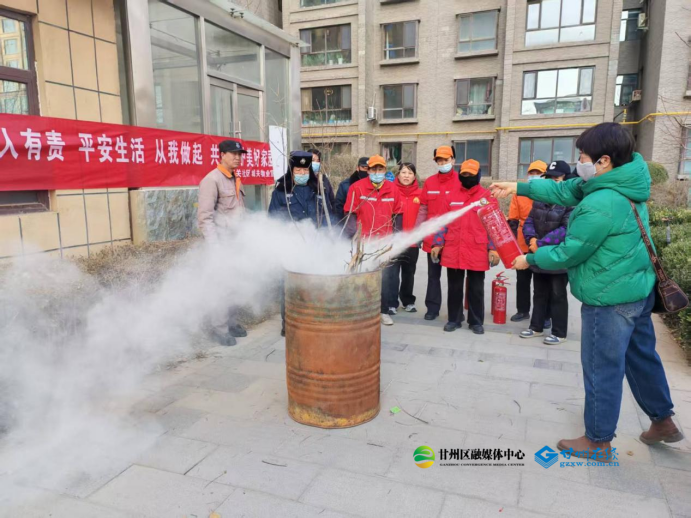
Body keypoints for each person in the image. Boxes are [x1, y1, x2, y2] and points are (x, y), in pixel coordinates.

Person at [491, 122, 683, 459]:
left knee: (601, 366)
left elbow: (570, 252)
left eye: (582, 157)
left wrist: (529, 259)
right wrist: (519, 186)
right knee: (641, 358)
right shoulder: (625, 178)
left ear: (603, 161)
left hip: (609, 297)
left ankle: (597, 439)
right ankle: (662, 420)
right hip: (637, 289)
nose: (578, 163)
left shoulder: (601, 202)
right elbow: (566, 190)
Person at [269, 151, 335, 336]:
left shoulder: (319, 189)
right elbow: (273, 220)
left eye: (305, 170)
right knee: (290, 287)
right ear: (291, 170)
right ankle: (288, 323)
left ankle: (311, 319)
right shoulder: (281, 191)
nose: (302, 173)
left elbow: (328, 216)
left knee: (314, 284)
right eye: (298, 170)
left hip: (316, 246)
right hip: (291, 248)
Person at [432, 159, 500, 335]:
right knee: (454, 287)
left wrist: (493, 248)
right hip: (454, 247)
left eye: (471, 174)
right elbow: (442, 222)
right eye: (464, 174)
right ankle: (454, 319)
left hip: (477, 248)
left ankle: (476, 321)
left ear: (478, 175)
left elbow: (494, 225)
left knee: (476, 288)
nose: (467, 177)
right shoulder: (451, 196)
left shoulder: (487, 197)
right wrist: (437, 243)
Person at [197, 139, 250, 347]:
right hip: (221, 244)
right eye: (233, 154)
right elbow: (205, 218)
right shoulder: (212, 180)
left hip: (237, 243)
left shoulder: (235, 178)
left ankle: (231, 322)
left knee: (235, 284)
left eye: (240, 154)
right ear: (221, 155)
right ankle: (219, 329)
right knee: (221, 286)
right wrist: (215, 248)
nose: (237, 158)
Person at [344, 155, 403, 326]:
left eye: (380, 169)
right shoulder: (357, 188)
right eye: (373, 169)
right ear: (368, 170)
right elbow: (350, 214)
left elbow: (398, 215)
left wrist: (396, 238)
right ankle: (361, 310)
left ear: (385, 170)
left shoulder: (393, 189)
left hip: (385, 243)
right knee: (361, 276)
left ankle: (383, 311)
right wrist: (352, 237)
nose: (377, 172)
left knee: (384, 278)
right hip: (363, 242)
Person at [519, 160, 573, 345]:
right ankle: (536, 327)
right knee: (539, 292)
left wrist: (540, 244)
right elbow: (529, 221)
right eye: (548, 178)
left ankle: (559, 332)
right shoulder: (540, 200)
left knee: (558, 294)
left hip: (558, 256)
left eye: (556, 179)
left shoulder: (571, 203)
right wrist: (531, 240)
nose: (552, 182)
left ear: (566, 180)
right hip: (539, 254)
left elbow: (566, 229)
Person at [415, 146, 462, 321]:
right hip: (432, 238)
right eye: (439, 160)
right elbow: (423, 209)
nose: (442, 163)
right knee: (433, 276)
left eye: (446, 160)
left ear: (453, 160)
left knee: (455, 278)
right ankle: (432, 308)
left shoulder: (461, 181)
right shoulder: (430, 182)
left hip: (453, 238)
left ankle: (455, 312)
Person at [508, 160, 545, 322]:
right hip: (522, 245)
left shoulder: (549, 194)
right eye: (532, 173)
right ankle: (522, 310)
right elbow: (513, 220)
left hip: (542, 245)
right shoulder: (519, 194)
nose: (534, 176)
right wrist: (511, 247)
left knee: (541, 283)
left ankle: (543, 315)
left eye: (538, 173)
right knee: (522, 281)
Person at [391, 162, 422, 313]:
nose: (406, 176)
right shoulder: (391, 191)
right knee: (392, 273)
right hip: (394, 242)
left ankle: (408, 301)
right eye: (403, 172)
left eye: (410, 173)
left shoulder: (420, 194)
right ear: (398, 174)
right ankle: (391, 303)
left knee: (409, 273)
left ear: (414, 176)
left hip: (412, 243)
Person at [335, 156, 370, 223]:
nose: (366, 171)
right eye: (364, 168)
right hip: (350, 224)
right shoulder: (345, 185)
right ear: (358, 168)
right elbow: (338, 207)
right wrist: (343, 224)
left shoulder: (375, 185)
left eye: (369, 168)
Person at [306, 148, 336, 214]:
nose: (316, 163)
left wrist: (334, 216)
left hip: (325, 217)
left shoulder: (323, 179)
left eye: (318, 161)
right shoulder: (302, 179)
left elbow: (332, 201)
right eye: (313, 160)